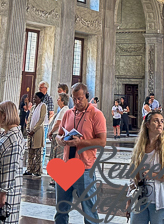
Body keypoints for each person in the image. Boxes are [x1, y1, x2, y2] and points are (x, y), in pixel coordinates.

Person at [54, 83, 107, 224]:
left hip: (85, 168)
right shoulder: (68, 114)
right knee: (61, 209)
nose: (77, 102)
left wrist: (80, 142)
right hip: (66, 166)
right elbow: (58, 135)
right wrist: (61, 140)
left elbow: (102, 142)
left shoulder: (96, 114)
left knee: (89, 211)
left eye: (80, 98)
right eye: (74, 98)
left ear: (87, 96)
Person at [126, 110, 164, 223]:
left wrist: (154, 175)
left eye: (162, 121)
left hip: (159, 203)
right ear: (147, 124)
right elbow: (132, 176)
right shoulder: (139, 149)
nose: (160, 124)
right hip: (139, 200)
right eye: (156, 121)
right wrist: (129, 199)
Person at [48, 93, 69, 186]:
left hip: (58, 135)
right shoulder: (62, 110)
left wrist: (51, 132)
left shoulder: (64, 110)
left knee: (57, 156)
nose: (57, 100)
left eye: (59, 99)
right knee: (56, 156)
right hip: (58, 135)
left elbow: (58, 123)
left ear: (63, 101)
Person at [24, 91, 46, 177]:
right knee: (30, 152)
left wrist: (34, 129)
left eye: (36, 97)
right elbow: (29, 118)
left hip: (38, 132)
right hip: (31, 132)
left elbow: (41, 119)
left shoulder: (43, 106)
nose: (34, 99)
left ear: (40, 99)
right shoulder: (33, 107)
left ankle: (37, 170)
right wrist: (28, 129)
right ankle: (29, 169)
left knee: (37, 152)